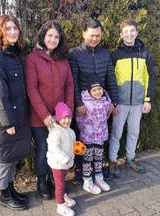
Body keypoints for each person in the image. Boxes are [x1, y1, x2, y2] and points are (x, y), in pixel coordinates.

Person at [0, 15, 34, 210]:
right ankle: (4, 194)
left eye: (15, 28)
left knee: (11, 156)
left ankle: (10, 189)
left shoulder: (13, 54)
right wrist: (7, 122)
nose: (13, 32)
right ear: (0, 32)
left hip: (16, 115)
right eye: (8, 29)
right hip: (4, 119)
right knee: (4, 158)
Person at [25, 21, 74, 200]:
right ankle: (41, 181)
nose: (53, 39)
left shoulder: (63, 59)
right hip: (40, 117)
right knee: (43, 148)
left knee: (59, 147)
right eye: (50, 36)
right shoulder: (32, 59)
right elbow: (31, 89)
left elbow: (69, 85)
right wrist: (45, 115)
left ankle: (55, 180)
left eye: (56, 36)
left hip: (60, 117)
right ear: (43, 36)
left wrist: (66, 112)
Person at [69, 19, 119, 184]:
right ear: (84, 34)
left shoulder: (105, 54)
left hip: (101, 108)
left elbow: (111, 78)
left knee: (99, 139)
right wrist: (78, 103)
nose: (94, 39)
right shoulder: (74, 54)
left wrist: (114, 102)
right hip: (83, 107)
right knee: (82, 140)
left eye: (97, 36)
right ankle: (80, 169)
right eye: (91, 35)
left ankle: (97, 169)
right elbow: (73, 81)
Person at [108, 19, 155, 177]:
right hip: (120, 103)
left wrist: (147, 99)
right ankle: (113, 161)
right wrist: (112, 102)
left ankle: (130, 159)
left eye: (132, 31)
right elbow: (110, 80)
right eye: (126, 31)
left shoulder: (145, 54)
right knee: (116, 133)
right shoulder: (115, 55)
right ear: (121, 35)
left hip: (138, 103)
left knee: (134, 132)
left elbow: (150, 78)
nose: (129, 34)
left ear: (137, 32)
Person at [76, 74, 111, 194]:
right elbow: (79, 117)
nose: (97, 92)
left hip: (101, 134)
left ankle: (99, 177)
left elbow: (106, 115)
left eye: (99, 89)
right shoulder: (84, 100)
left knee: (98, 157)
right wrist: (84, 129)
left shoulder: (106, 99)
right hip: (88, 135)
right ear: (89, 91)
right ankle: (87, 180)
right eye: (94, 90)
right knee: (88, 157)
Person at [46, 102, 76, 216]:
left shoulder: (70, 131)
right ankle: (61, 205)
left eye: (69, 118)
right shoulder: (55, 133)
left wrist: (79, 148)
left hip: (67, 163)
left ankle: (63, 195)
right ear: (58, 119)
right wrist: (64, 158)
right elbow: (54, 148)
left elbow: (73, 144)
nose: (67, 121)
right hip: (58, 163)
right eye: (64, 118)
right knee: (60, 185)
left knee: (63, 181)